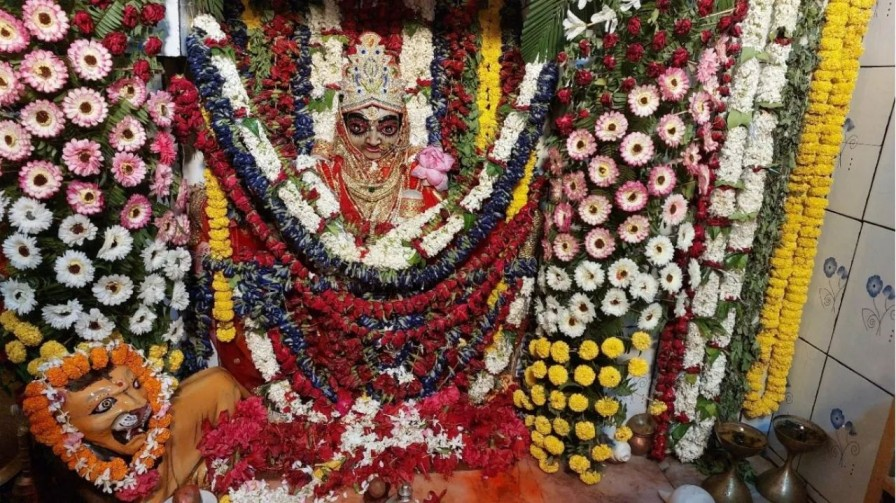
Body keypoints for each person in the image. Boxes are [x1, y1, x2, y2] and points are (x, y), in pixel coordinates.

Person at [315, 32, 443, 229]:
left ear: (403, 128)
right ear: (342, 126)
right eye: (358, 127)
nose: (373, 140)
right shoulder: (324, 175)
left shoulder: (416, 179)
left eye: (387, 129)